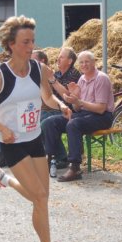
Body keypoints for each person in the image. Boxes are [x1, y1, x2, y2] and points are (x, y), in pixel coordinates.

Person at [0, 15, 71, 242]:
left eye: (32, 41)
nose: (31, 46)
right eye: (25, 42)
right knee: (39, 197)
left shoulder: (38, 69)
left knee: (42, 198)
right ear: (11, 44)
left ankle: (4, 180)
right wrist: (1, 127)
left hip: (34, 139)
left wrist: (60, 105)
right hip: (12, 143)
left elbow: (47, 98)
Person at [42, 50, 114, 182]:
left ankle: (75, 168)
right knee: (49, 122)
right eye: (81, 62)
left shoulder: (101, 78)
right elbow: (77, 108)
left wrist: (79, 102)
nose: (84, 65)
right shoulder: (82, 79)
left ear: (94, 63)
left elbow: (100, 109)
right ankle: (50, 159)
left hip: (103, 117)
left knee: (73, 124)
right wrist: (72, 99)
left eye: (87, 62)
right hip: (85, 114)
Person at [41, 46, 81, 169]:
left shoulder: (74, 73)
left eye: (61, 57)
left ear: (70, 61)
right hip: (56, 109)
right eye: (58, 57)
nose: (58, 59)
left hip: (70, 111)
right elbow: (50, 95)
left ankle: (60, 157)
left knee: (45, 121)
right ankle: (54, 156)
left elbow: (67, 95)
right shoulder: (57, 74)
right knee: (38, 117)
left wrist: (52, 80)